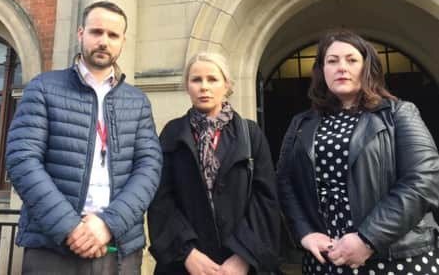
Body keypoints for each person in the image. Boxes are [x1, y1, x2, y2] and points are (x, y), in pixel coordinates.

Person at [6, 0, 162, 274]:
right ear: (81, 34)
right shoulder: (43, 88)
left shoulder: (138, 101)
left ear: (123, 41)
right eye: (96, 32)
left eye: (113, 35)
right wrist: (70, 227)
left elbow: (149, 168)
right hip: (53, 246)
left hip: (118, 247)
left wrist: (107, 224)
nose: (104, 41)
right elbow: (23, 160)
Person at [277, 30, 439, 274]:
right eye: (332, 61)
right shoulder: (301, 123)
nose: (342, 67)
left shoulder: (399, 113)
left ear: (366, 67)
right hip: (326, 260)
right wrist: (304, 233)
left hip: (396, 258)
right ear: (322, 71)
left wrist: (367, 238)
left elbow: (424, 178)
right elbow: (285, 181)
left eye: (351, 60)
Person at [148, 52, 281, 275]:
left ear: (226, 85)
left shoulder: (250, 134)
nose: (204, 87)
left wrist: (243, 256)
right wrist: (187, 253)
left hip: (239, 264)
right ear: (187, 86)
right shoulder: (172, 133)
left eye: (212, 79)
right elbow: (161, 199)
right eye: (196, 80)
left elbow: (265, 199)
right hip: (186, 264)